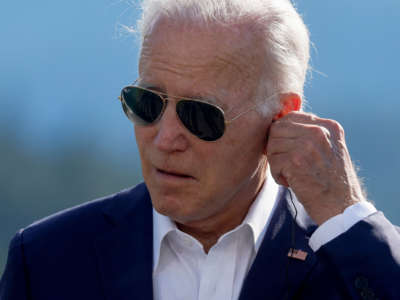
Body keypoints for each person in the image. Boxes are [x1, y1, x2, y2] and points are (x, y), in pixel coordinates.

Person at [1, 0, 399, 299]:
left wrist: (347, 213)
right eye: (148, 103)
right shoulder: (46, 260)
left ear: (281, 114)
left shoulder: (349, 259)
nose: (165, 138)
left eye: (200, 115)